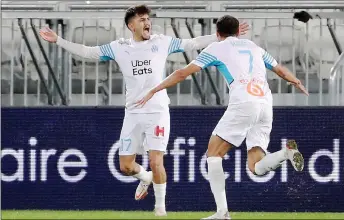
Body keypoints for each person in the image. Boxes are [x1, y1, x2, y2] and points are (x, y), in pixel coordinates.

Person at [39, 5, 249, 216]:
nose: (147, 22)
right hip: (132, 113)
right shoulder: (118, 47)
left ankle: (160, 210)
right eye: (141, 19)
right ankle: (146, 178)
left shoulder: (162, 42)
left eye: (148, 18)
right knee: (126, 167)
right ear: (131, 26)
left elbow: (192, 43)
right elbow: (88, 52)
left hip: (157, 111)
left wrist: (221, 36)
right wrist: (58, 40)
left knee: (156, 161)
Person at [136, 15, 309, 219]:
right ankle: (284, 154)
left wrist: (155, 89)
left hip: (244, 103)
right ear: (238, 32)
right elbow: (279, 68)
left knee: (213, 154)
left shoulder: (217, 48)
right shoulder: (254, 46)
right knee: (255, 167)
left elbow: (183, 73)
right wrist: (296, 80)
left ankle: (222, 212)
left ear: (218, 34)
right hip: (265, 104)